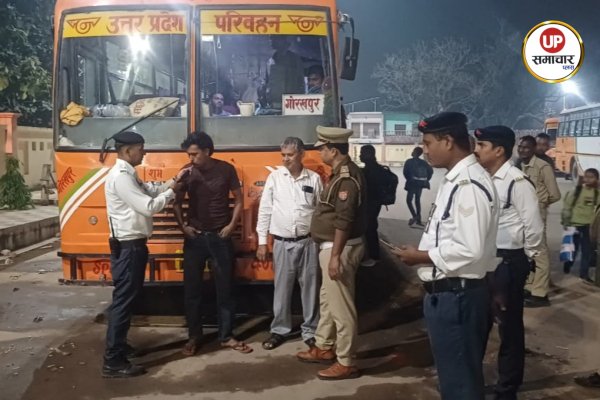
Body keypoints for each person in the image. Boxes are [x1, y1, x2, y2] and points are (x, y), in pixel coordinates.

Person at [392, 112, 499, 400]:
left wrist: (420, 256)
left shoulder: (469, 185)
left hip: (458, 297)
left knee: (460, 385)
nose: (424, 150)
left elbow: (470, 248)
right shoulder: (456, 180)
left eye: (428, 143)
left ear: (448, 141)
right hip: (451, 295)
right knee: (455, 378)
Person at [102, 131, 180, 378]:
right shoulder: (121, 178)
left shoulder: (128, 174)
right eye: (140, 148)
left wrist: (172, 181)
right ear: (127, 151)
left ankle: (119, 346)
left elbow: (149, 190)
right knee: (123, 302)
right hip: (128, 248)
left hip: (132, 246)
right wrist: (173, 192)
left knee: (126, 300)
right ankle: (113, 361)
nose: (144, 153)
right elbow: (148, 206)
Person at [474, 126, 543, 400]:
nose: (476, 150)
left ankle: (507, 389)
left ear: (499, 150)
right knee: (479, 323)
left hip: (508, 262)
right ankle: (471, 382)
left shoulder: (517, 182)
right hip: (484, 260)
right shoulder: (482, 178)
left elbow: (533, 227)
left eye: (482, 145)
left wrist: (527, 259)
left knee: (509, 328)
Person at [296, 125, 366, 380]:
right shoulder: (338, 174)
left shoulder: (346, 179)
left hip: (341, 249)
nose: (320, 153)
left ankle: (346, 361)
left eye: (322, 149)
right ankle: (324, 346)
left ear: (333, 151)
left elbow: (344, 221)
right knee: (327, 301)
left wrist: (335, 256)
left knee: (341, 307)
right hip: (332, 247)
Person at [173, 131, 252, 356]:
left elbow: (239, 200)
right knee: (192, 291)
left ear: (207, 151)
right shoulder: (186, 172)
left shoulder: (226, 169)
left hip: (220, 238)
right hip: (195, 239)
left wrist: (232, 226)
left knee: (225, 289)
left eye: (194, 154)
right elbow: (176, 202)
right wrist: (183, 227)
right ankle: (194, 337)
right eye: (188, 155)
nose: (191, 159)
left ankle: (226, 336)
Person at [256, 137, 322, 350]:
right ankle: (279, 330)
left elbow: (320, 212)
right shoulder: (275, 178)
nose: (285, 159)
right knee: (282, 289)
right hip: (282, 243)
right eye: (283, 155)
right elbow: (265, 210)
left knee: (310, 289)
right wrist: (262, 242)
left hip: (309, 242)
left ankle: (310, 331)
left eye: (290, 155)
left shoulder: (314, 179)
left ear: (301, 154)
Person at [517, 135, 561, 307]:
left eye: (527, 147)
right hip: (523, 214)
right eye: (520, 147)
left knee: (540, 253)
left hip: (537, 214)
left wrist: (540, 204)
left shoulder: (543, 166)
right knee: (528, 251)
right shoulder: (519, 166)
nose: (522, 150)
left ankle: (541, 293)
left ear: (533, 149)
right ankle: (530, 286)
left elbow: (555, 194)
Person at [561, 168, 600, 283]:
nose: (588, 179)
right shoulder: (577, 191)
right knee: (573, 249)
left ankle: (584, 274)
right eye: (586, 177)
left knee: (587, 251)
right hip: (574, 225)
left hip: (587, 226)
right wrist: (566, 222)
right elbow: (567, 206)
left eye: (591, 177)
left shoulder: (596, 193)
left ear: (597, 179)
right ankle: (568, 263)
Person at [359, 145, 386, 266]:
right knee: (371, 227)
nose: (360, 155)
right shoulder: (379, 169)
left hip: (370, 203)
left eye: (362, 153)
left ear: (369, 155)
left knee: (369, 228)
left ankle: (373, 256)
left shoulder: (369, 171)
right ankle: (374, 254)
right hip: (376, 202)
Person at [266, 35, 305, 109]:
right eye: (270, 38)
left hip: (292, 105)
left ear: (283, 40)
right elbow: (268, 83)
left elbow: (301, 83)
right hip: (274, 105)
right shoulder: (270, 62)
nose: (271, 41)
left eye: (274, 38)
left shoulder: (294, 59)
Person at [403, 146, 433, 226]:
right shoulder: (423, 162)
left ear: (415, 152)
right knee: (417, 200)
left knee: (409, 200)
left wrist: (409, 179)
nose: (412, 152)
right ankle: (418, 220)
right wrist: (426, 179)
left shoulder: (409, 161)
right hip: (420, 184)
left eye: (413, 151)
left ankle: (415, 216)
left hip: (412, 183)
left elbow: (405, 172)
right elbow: (430, 171)